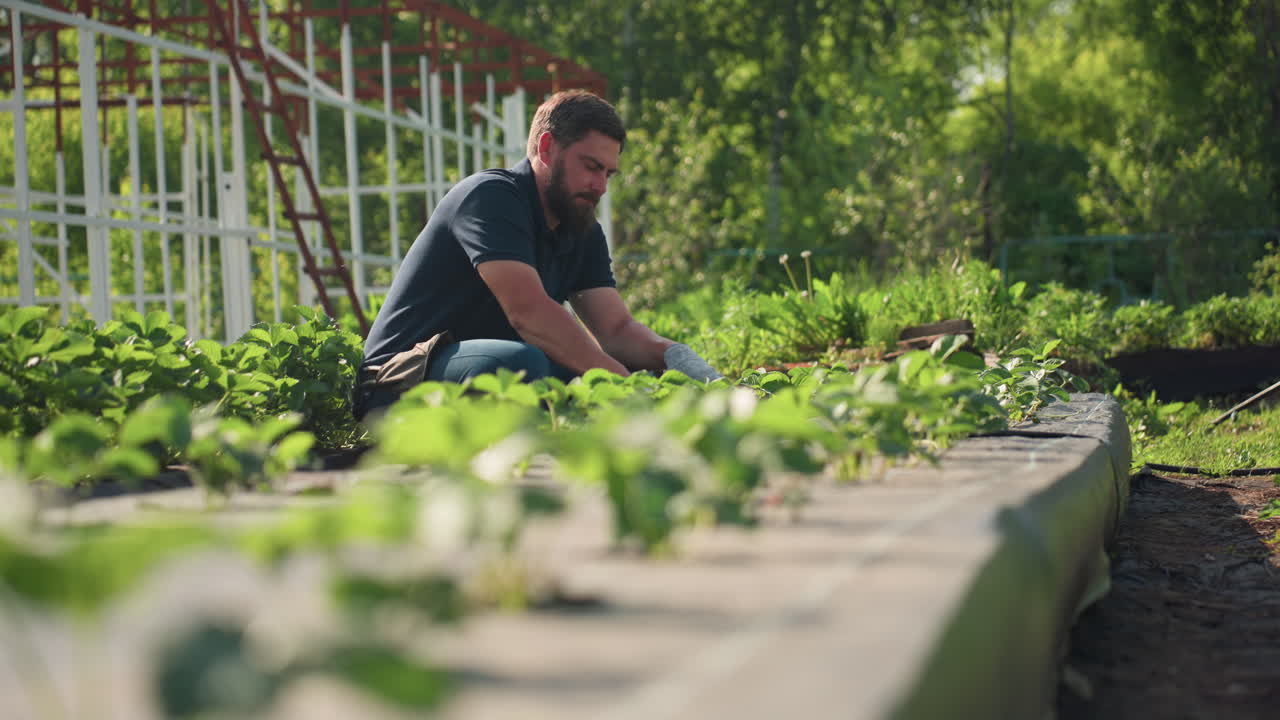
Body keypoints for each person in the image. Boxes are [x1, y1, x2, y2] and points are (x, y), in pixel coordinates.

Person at [352, 90, 721, 422]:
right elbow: (529, 313)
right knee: (521, 365)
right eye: (592, 167)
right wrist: (623, 385)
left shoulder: (582, 228)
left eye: (609, 173)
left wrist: (673, 356)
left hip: (480, 369)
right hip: (400, 379)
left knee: (637, 371)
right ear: (546, 148)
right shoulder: (490, 197)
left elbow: (616, 331)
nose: (601, 186)